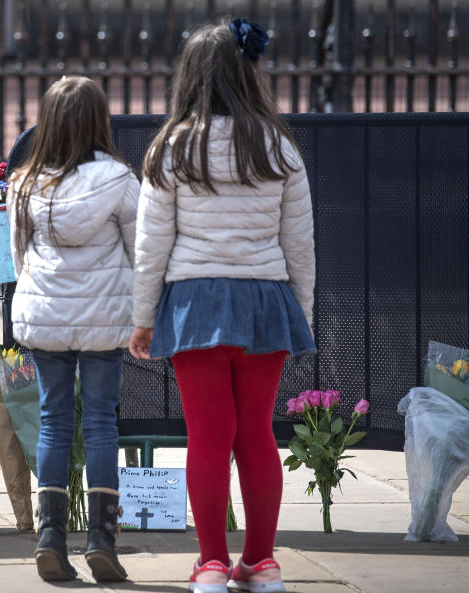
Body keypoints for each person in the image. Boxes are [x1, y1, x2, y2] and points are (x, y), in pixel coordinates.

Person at [128, 19, 316, 593]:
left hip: (194, 300)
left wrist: (142, 317)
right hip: (266, 297)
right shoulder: (278, 145)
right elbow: (299, 243)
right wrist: (299, 312)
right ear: (247, 72)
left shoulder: (172, 146)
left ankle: (211, 563)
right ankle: (261, 563)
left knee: (207, 434)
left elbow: (151, 245)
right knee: (258, 431)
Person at [8, 75, 139, 583]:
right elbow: (139, 249)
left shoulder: (25, 182)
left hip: (46, 319)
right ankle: (102, 541)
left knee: (54, 420)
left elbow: (20, 257)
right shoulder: (119, 180)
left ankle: (50, 540)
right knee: (101, 422)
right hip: (105, 319)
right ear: (97, 123)